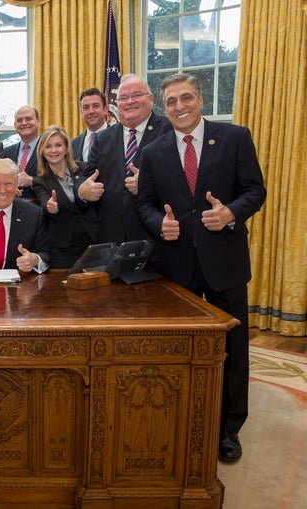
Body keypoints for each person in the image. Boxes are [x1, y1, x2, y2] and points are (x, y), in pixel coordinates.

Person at [136, 73, 267, 463]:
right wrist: (160, 223)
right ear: (165, 107)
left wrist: (230, 213)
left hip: (224, 263)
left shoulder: (235, 137)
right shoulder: (153, 152)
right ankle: (183, 418)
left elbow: (255, 190)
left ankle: (229, 428)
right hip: (177, 268)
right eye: (172, 101)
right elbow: (144, 204)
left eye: (186, 98)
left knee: (232, 348)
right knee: (182, 350)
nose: (179, 106)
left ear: (200, 99)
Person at [76, 74, 171, 244]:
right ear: (116, 104)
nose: (130, 101)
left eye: (136, 95)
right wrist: (82, 190)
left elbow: (183, 181)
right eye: (124, 98)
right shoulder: (103, 138)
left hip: (157, 238)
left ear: (151, 99)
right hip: (112, 240)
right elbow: (86, 176)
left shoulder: (168, 131)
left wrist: (147, 184)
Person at [33, 125, 99, 268]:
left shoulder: (83, 169)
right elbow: (45, 203)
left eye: (58, 145)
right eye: (48, 146)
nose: (54, 150)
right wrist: (51, 207)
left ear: (66, 148)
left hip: (92, 240)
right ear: (42, 151)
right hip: (62, 248)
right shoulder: (40, 181)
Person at [3, 105, 41, 202]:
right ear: (15, 125)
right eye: (20, 120)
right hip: (12, 210)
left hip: (42, 211)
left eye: (28, 119)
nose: (24, 123)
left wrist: (32, 181)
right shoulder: (6, 153)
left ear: (38, 122)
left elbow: (57, 181)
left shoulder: (49, 150)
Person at [71, 88, 110, 162]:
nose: (91, 111)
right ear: (81, 112)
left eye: (95, 106)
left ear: (105, 109)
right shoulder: (73, 144)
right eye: (86, 107)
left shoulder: (118, 137)